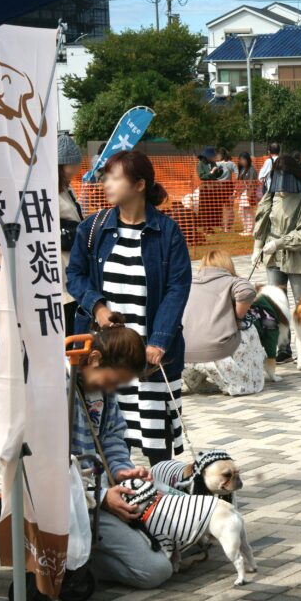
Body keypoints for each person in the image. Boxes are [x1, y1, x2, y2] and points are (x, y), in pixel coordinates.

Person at [67, 150, 192, 464]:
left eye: (114, 176)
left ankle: (162, 501)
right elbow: (75, 275)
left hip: (148, 355)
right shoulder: (93, 228)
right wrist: (96, 307)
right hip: (104, 352)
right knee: (105, 436)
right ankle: (116, 502)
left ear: (138, 185)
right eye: (105, 175)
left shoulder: (167, 233)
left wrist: (159, 341)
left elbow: (178, 288)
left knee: (154, 439)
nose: (106, 183)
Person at [71, 316, 174, 589]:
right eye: (113, 380)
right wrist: (103, 498)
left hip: (100, 490)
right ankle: (79, 561)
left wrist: (121, 470)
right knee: (157, 570)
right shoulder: (59, 390)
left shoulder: (101, 390)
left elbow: (113, 438)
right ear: (94, 359)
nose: (113, 389)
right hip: (76, 502)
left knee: (173, 499)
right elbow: (50, 465)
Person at [252, 155, 301, 363]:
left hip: (297, 254)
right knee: (276, 303)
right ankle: (283, 347)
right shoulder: (271, 195)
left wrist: (279, 243)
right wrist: (257, 247)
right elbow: (262, 222)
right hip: (273, 255)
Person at [182, 250, 265, 396]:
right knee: (249, 330)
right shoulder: (232, 281)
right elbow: (247, 291)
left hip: (185, 353)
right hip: (216, 351)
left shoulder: (188, 282)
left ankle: (195, 380)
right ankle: (247, 379)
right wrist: (238, 315)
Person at [58, 133, 84, 336]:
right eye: (74, 163)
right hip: (59, 262)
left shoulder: (67, 188)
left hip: (73, 259)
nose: (77, 168)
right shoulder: (49, 190)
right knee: (66, 321)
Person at [195, 147, 224, 231]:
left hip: (214, 188)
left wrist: (220, 171)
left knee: (214, 208)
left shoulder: (213, 163)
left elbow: (216, 176)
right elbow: (202, 176)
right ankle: (205, 227)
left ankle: (212, 226)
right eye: (212, 156)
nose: (213, 157)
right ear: (207, 156)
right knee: (205, 209)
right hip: (205, 189)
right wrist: (211, 173)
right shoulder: (200, 164)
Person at [214, 147, 238, 232]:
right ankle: (227, 227)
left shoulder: (216, 164)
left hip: (218, 187)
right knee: (229, 208)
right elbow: (237, 174)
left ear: (220, 155)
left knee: (220, 208)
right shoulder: (231, 163)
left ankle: (222, 226)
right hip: (228, 187)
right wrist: (236, 187)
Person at [237, 152, 259, 235]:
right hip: (244, 192)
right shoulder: (243, 169)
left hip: (249, 192)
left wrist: (250, 194)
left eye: (243, 160)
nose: (241, 161)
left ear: (247, 160)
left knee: (248, 211)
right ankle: (246, 228)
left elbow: (252, 183)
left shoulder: (251, 169)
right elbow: (241, 181)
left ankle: (249, 229)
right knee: (241, 211)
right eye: (240, 160)